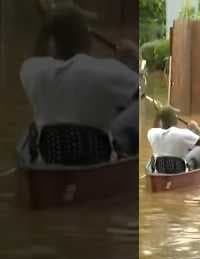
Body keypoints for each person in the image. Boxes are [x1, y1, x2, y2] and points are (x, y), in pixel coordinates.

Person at [20, 6, 138, 162]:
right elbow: (143, 88)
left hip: (49, 163)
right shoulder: (108, 70)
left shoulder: (30, 70)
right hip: (100, 167)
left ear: (51, 41)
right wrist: (136, 55)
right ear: (86, 38)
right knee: (139, 104)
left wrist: (50, 28)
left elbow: (40, 54)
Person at [147, 106, 200, 171]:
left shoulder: (151, 133)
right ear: (175, 119)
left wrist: (160, 113)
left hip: (160, 170)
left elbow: (155, 125)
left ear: (161, 120)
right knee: (199, 149)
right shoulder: (184, 134)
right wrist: (197, 129)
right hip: (179, 170)